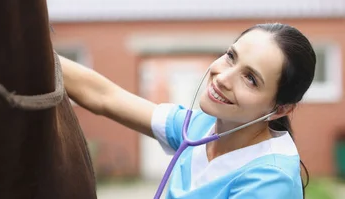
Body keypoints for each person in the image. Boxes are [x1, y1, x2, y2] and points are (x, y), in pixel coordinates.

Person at [59, 23, 312, 198]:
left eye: (251, 79)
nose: (223, 77)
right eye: (231, 56)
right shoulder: (200, 128)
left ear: (280, 109)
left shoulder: (271, 182)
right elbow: (104, 96)